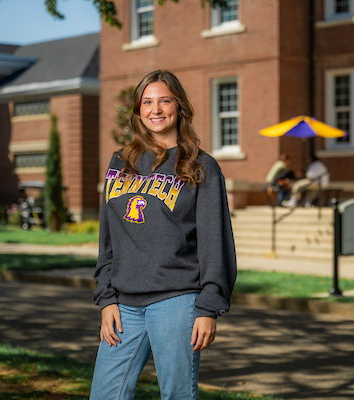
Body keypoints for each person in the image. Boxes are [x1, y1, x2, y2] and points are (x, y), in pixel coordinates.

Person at [90, 70, 237, 400]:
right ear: (139, 111)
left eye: (164, 101)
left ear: (179, 107)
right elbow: (109, 237)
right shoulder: (121, 162)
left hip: (177, 300)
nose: (155, 110)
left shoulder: (201, 167)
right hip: (123, 304)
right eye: (147, 102)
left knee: (177, 395)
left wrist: (208, 307)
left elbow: (216, 241)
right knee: (105, 394)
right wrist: (106, 298)